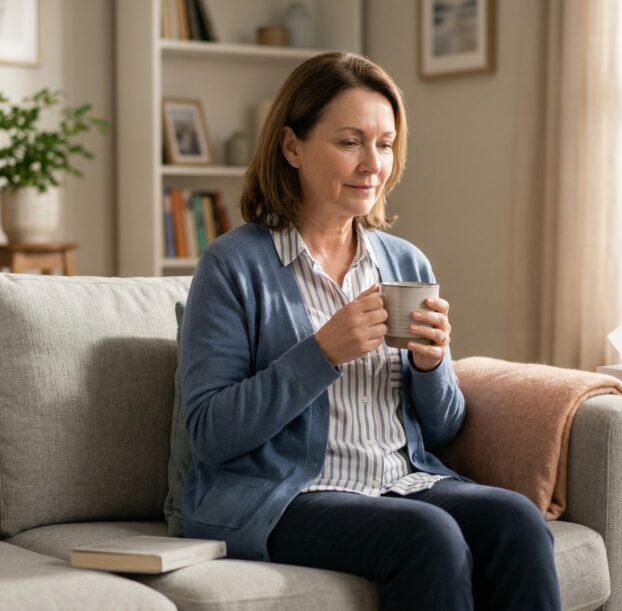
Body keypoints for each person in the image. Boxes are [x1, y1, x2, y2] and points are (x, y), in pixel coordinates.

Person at [178, 52, 561, 610]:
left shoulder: (406, 264)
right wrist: (321, 353)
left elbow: (444, 426)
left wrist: (433, 367)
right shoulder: (232, 265)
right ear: (292, 147)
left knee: (517, 521)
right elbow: (209, 432)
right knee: (428, 536)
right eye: (350, 142)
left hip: (400, 480)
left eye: (384, 145)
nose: (372, 165)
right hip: (284, 495)